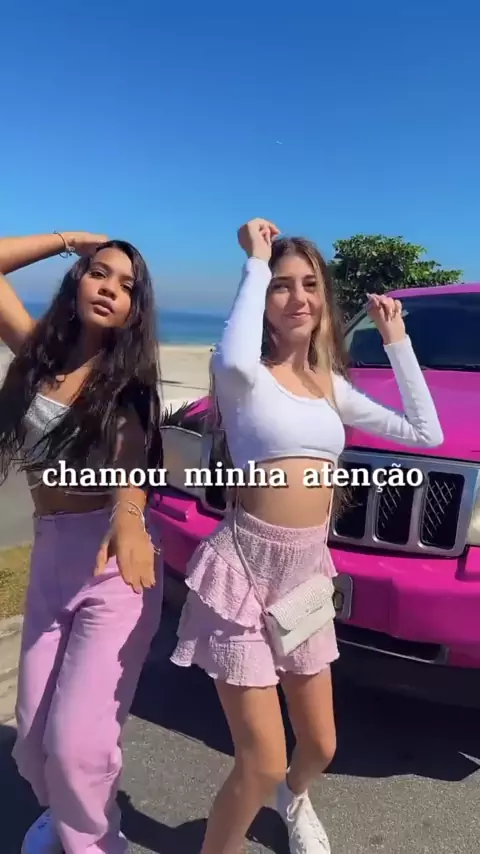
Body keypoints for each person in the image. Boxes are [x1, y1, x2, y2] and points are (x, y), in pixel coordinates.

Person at [170, 218, 444, 854]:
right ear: (263, 301)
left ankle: (295, 798)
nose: (298, 297)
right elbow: (233, 354)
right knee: (260, 760)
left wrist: (397, 342)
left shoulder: (331, 388)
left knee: (320, 745)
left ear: (324, 298)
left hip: (304, 576)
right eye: (282, 285)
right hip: (243, 569)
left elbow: (425, 434)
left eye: (310, 285)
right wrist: (255, 258)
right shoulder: (243, 377)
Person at [0, 231, 164, 854]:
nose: (110, 289)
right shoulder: (36, 358)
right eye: (100, 274)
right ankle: (69, 814)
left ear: (135, 310)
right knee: (32, 742)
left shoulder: (128, 386)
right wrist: (70, 239)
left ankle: (95, 841)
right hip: (51, 559)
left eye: (127, 287)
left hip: (111, 566)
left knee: (78, 748)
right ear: (78, 282)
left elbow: (131, 461)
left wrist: (130, 518)